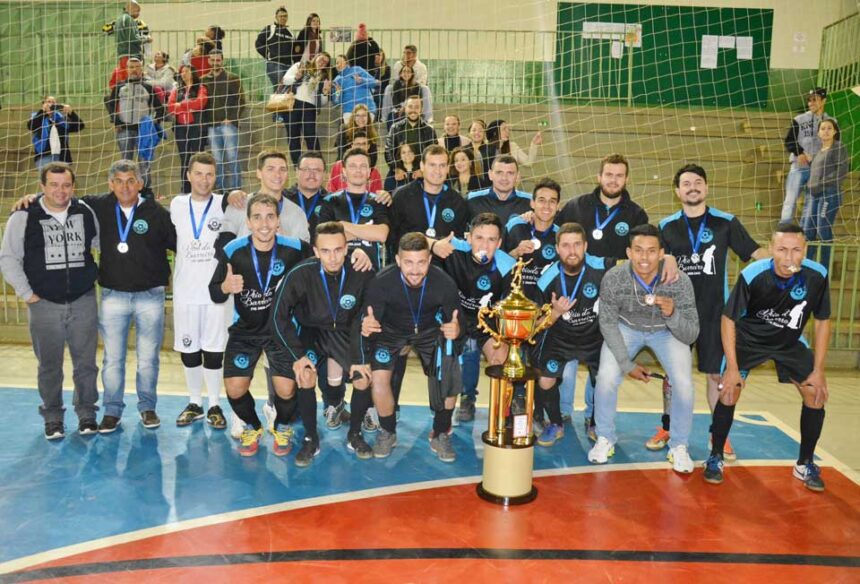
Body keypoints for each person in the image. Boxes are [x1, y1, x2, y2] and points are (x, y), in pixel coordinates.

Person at [705, 223, 831, 492]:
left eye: (796, 250)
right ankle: (715, 456)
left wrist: (818, 369)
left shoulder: (817, 275)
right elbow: (728, 319)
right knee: (729, 391)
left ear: (805, 250)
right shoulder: (753, 274)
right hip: (748, 340)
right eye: (782, 249)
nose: (789, 257)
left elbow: (822, 322)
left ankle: (805, 463)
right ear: (772, 249)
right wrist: (733, 369)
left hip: (789, 341)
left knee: (815, 393)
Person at [658, 164, 768, 459]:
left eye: (697, 182)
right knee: (672, 375)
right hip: (676, 313)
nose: (692, 187)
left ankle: (719, 435)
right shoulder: (666, 226)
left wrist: (782, 259)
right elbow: (653, 262)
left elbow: (757, 255)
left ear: (706, 188)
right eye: (685, 183)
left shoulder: (726, 222)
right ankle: (668, 427)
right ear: (677, 191)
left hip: (714, 314)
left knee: (713, 377)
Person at [588, 224, 699, 474]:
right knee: (605, 376)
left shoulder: (679, 282)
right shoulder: (614, 278)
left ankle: (679, 445)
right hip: (625, 328)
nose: (644, 258)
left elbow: (692, 332)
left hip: (666, 331)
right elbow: (606, 321)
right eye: (638, 250)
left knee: (683, 383)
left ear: (662, 254)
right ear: (628, 252)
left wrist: (672, 314)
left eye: (651, 251)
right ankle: (605, 437)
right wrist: (626, 364)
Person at [0, 163, 99, 440]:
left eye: (66, 185)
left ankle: (87, 413)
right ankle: (53, 417)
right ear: (42, 187)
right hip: (43, 304)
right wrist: (27, 294)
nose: (60, 190)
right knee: (49, 365)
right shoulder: (24, 216)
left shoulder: (85, 211)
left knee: (86, 364)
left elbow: (103, 243)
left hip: (83, 300)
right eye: (53, 185)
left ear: (73, 187)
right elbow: (8, 258)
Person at [209, 193, 311, 457]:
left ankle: (281, 425)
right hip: (245, 331)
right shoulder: (233, 251)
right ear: (249, 222)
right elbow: (214, 292)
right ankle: (252, 426)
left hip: (281, 331)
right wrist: (225, 286)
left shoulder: (297, 249)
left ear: (278, 221)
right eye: (257, 217)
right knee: (234, 388)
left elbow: (324, 259)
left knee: (287, 390)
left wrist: (357, 253)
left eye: (270, 217)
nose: (264, 224)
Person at [272, 222, 377, 465]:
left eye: (338, 250)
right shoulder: (300, 273)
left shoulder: (361, 270)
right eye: (326, 251)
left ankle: (355, 434)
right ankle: (310, 438)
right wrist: (297, 356)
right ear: (316, 251)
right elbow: (278, 317)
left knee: (363, 376)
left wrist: (364, 344)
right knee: (306, 375)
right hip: (310, 331)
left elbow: (368, 312)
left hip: (346, 331)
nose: (333, 257)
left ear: (347, 248)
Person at [360, 233, 462, 460]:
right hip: (390, 332)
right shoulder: (381, 281)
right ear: (397, 260)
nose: (415, 270)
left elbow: (458, 319)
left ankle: (440, 431)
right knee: (379, 379)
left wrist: (456, 329)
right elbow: (367, 317)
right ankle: (387, 431)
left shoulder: (443, 282)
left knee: (450, 374)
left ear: (429, 260)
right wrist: (366, 325)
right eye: (408, 262)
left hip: (429, 332)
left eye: (421, 262)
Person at [96, 160, 177, 431]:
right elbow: (61, 199)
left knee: (147, 358)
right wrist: (32, 197)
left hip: (150, 296)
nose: (125, 186)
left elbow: (179, 245)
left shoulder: (156, 213)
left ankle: (148, 408)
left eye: (130, 180)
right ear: (110, 184)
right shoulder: (99, 208)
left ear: (140, 183)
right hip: (113, 296)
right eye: (118, 181)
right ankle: (111, 411)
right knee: (112, 359)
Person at [531, 223, 616, 446]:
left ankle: (596, 422)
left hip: (594, 338)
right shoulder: (546, 279)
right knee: (545, 379)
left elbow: (637, 265)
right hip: (559, 337)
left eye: (577, 244)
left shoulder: (603, 267)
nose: (572, 251)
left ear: (586, 246)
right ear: (557, 248)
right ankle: (556, 423)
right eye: (566, 245)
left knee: (605, 379)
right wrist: (556, 313)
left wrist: (669, 260)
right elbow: (536, 325)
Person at [169, 153, 229, 429]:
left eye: (209, 174)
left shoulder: (226, 204)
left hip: (216, 294)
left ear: (215, 177)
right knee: (189, 350)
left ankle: (215, 404)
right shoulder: (177, 204)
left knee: (214, 350)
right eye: (199, 173)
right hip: (185, 292)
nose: (204, 180)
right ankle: (194, 402)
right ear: (188, 175)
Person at [443, 213, 514, 423]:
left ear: (499, 243)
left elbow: (510, 307)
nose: (485, 244)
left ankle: (505, 411)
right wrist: (432, 243)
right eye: (479, 238)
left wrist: (505, 341)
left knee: (501, 358)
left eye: (492, 239)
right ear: (469, 238)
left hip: (489, 324)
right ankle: (466, 398)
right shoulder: (452, 251)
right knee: (460, 354)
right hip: (458, 320)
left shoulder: (508, 266)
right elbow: (420, 241)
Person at [556, 153, 648, 259]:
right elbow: (552, 232)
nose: (613, 180)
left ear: (626, 179)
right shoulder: (575, 207)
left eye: (619, 175)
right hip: (581, 274)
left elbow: (643, 252)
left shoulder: (637, 215)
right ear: (599, 177)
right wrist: (534, 218)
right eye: (609, 175)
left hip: (618, 275)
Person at [219, 149, 309, 248]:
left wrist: (285, 241)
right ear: (259, 173)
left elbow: (304, 253)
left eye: (282, 169)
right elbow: (223, 247)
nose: (278, 175)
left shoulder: (297, 213)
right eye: (270, 169)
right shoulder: (239, 205)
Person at [319, 147, 390, 270]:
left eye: (363, 166)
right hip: (338, 270)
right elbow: (325, 238)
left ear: (369, 172)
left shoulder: (379, 200)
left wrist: (341, 225)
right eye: (352, 166)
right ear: (344, 171)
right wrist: (368, 232)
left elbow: (382, 234)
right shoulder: (330, 201)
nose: (358, 170)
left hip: (371, 271)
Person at [104, 57, 165, 199]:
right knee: (126, 162)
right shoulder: (119, 87)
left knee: (145, 162)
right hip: (125, 130)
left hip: (143, 132)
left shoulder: (148, 87)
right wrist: (116, 121)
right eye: (131, 67)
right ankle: (124, 192)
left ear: (141, 69)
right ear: (126, 69)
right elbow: (110, 105)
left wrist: (154, 123)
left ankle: (146, 192)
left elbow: (160, 109)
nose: (134, 69)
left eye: (137, 67)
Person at [780, 88, 834, 222]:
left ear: (824, 100)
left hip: (818, 170)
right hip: (799, 166)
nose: (810, 103)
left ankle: (807, 233)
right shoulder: (799, 119)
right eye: (809, 100)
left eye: (814, 99)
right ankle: (783, 231)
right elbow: (789, 141)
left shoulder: (831, 121)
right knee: (790, 200)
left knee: (812, 204)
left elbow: (835, 145)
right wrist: (800, 153)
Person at [801, 118, 849, 268]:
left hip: (829, 194)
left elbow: (842, 170)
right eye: (823, 128)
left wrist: (821, 183)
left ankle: (824, 267)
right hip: (813, 194)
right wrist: (809, 187)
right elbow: (814, 174)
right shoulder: (818, 153)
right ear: (818, 133)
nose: (826, 131)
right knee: (808, 230)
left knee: (823, 228)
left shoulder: (838, 147)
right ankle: (807, 266)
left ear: (835, 131)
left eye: (829, 128)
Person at [504, 177, 562, 300]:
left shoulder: (561, 236)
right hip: (511, 302)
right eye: (541, 200)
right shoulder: (515, 226)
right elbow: (496, 262)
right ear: (532, 203)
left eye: (552, 201)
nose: (547, 206)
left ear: (558, 206)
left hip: (544, 305)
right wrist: (516, 252)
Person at [202, 50, 246, 191]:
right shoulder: (203, 80)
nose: (215, 63)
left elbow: (241, 100)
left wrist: (232, 118)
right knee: (217, 160)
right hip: (211, 126)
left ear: (223, 61)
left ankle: (236, 188)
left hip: (228, 125)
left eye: (218, 60)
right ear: (209, 61)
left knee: (232, 158)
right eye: (213, 60)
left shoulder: (232, 78)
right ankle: (219, 189)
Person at [281, 51, 332, 166]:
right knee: (293, 136)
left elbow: (322, 103)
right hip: (293, 103)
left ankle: (318, 163)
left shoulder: (324, 78)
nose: (322, 62)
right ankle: (298, 166)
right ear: (316, 57)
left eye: (325, 62)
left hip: (309, 107)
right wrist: (296, 77)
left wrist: (325, 93)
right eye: (321, 58)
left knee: (311, 135)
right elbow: (285, 80)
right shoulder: (300, 65)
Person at [167, 64, 208, 194]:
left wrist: (182, 105)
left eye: (186, 71)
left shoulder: (200, 87)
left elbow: (201, 102)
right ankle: (185, 189)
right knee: (184, 158)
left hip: (196, 126)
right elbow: (170, 107)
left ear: (193, 72)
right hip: (180, 127)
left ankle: (199, 188)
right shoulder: (177, 90)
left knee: (197, 158)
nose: (184, 73)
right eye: (182, 72)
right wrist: (188, 106)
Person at [466, 155, 532, 225]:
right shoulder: (472, 200)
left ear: (518, 176)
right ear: (490, 174)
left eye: (510, 173)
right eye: (499, 172)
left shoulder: (531, 202)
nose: (504, 178)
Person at [27, 96, 85, 170]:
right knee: (46, 180)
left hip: (62, 157)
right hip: (44, 157)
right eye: (48, 102)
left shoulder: (62, 120)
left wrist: (71, 113)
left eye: (53, 102)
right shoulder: (38, 117)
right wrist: (43, 111)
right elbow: (30, 126)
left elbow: (80, 126)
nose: (51, 104)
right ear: (43, 104)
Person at [385, 96, 437, 171]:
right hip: (399, 171)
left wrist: (423, 171)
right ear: (405, 109)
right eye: (410, 107)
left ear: (421, 109)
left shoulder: (429, 130)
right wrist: (395, 168)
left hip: (422, 172)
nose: (413, 110)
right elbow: (388, 150)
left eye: (416, 107)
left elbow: (433, 153)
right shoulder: (395, 128)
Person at [285, 151, 328, 235]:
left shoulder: (332, 201)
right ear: (297, 172)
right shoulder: (283, 198)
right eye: (306, 169)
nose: (312, 174)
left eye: (317, 170)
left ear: (325, 174)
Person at [255, 6, 297, 91]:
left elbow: (294, 51)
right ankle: (277, 103)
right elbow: (258, 43)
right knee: (281, 87)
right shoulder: (270, 28)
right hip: (274, 64)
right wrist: (268, 55)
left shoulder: (291, 33)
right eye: (280, 16)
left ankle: (276, 103)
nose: (283, 18)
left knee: (286, 89)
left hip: (288, 65)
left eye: (285, 16)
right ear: (276, 17)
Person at [111, 1, 151, 88]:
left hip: (123, 54)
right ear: (131, 8)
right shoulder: (129, 19)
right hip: (130, 55)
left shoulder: (119, 19)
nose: (138, 14)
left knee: (124, 81)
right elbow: (133, 38)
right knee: (130, 83)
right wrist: (147, 38)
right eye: (137, 11)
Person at [332, 54, 380, 125]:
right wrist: (338, 92)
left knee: (365, 134)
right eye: (336, 63)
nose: (338, 65)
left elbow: (375, 82)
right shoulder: (337, 80)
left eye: (340, 62)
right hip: (349, 111)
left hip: (367, 108)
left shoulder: (357, 69)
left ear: (346, 62)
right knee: (351, 134)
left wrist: (362, 80)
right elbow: (336, 103)